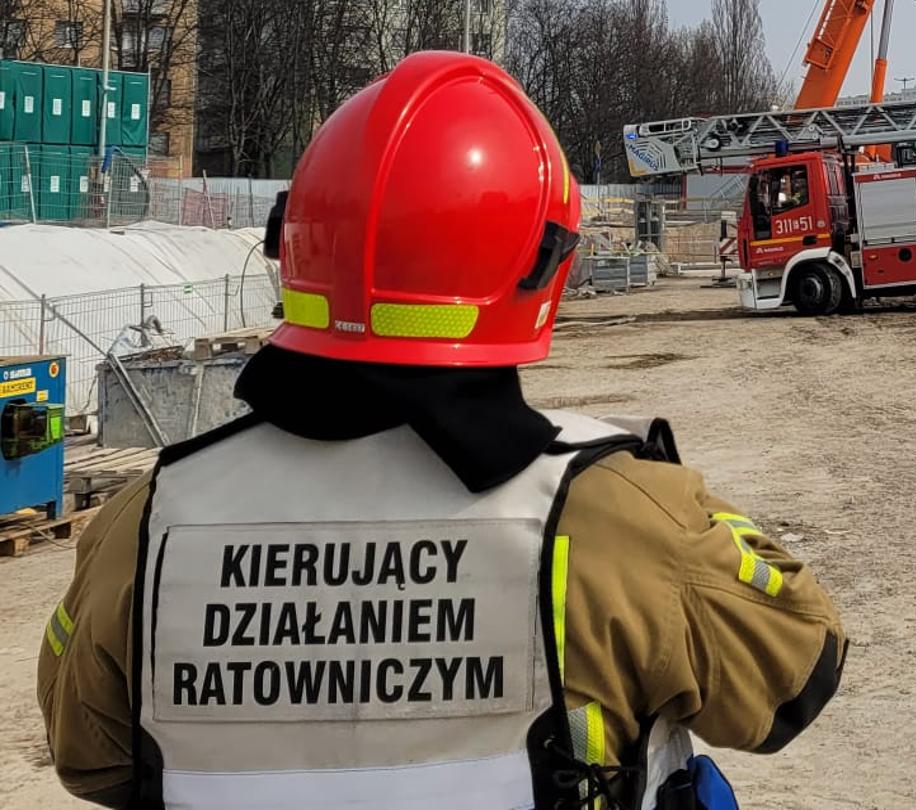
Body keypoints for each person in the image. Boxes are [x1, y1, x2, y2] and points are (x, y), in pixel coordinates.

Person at [37, 51, 845, 810]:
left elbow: (91, 759)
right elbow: (794, 675)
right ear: (539, 267)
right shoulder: (622, 522)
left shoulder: (144, 524)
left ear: (294, 249)